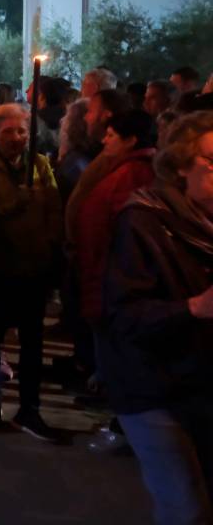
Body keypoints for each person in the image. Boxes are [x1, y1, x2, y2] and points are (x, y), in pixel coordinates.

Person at [103, 112, 213, 524]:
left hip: (201, 381)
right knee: (186, 507)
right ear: (181, 167)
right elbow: (125, 315)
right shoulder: (144, 221)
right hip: (153, 387)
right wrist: (194, 308)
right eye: (212, 161)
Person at [0, 103, 65, 442]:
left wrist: (53, 248)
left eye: (22, 131)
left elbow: (54, 209)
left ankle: (30, 407)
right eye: (9, 131)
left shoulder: (40, 165)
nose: (17, 138)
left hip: (33, 268)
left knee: (32, 342)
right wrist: (15, 205)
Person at [74, 110, 156, 328]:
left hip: (114, 285)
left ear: (130, 141)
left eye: (111, 135)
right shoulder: (127, 170)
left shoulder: (128, 178)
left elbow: (101, 234)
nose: (104, 141)